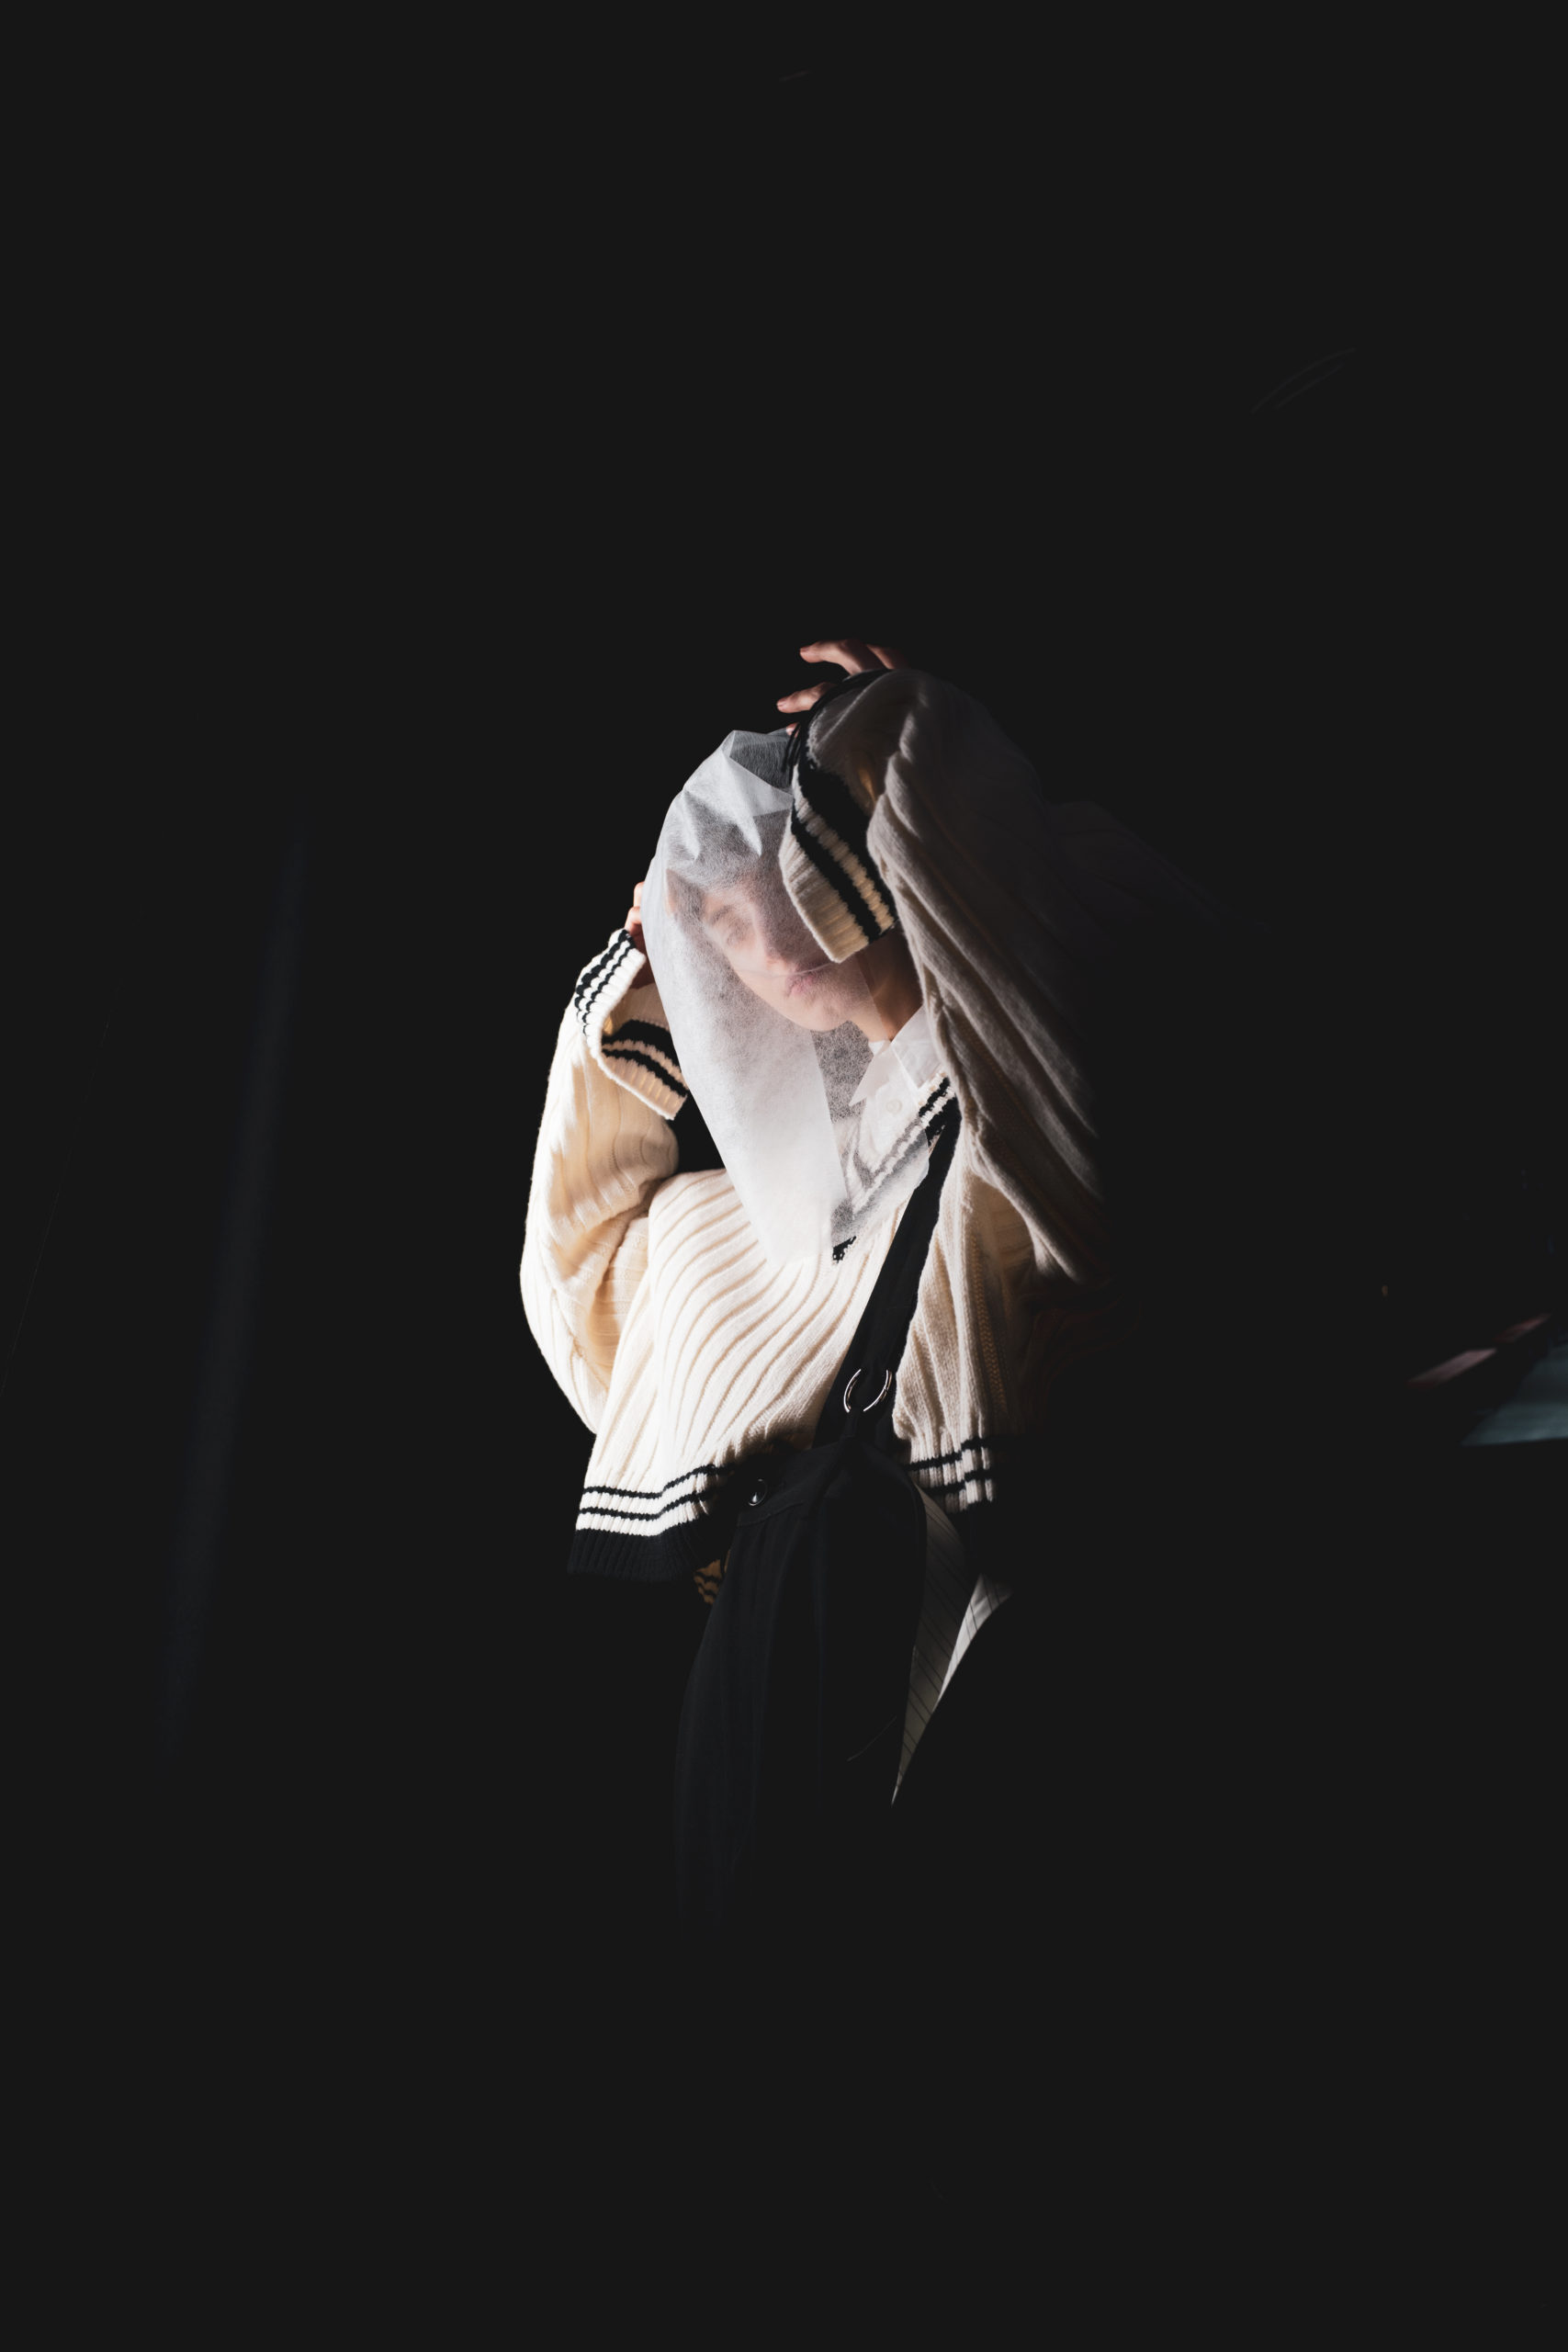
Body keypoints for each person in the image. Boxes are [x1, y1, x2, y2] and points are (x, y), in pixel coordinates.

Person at [522, 635, 1297, 2217]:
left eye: (816, 832)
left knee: (949, 2086)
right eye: (734, 898)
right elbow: (579, 1287)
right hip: (778, 1632)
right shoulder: (775, 1216)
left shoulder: (1065, 1029)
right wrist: (641, 993)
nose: (766, 918)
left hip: (1035, 1628)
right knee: (747, 2097)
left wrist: (915, 747)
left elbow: (1071, 1067)